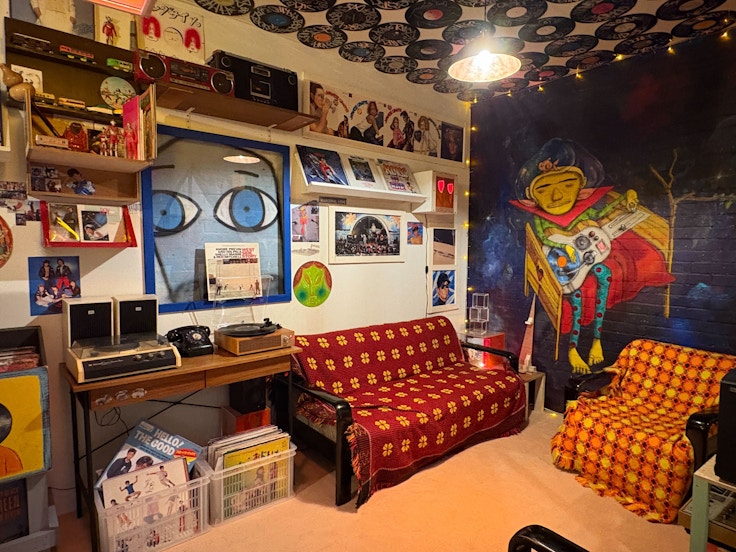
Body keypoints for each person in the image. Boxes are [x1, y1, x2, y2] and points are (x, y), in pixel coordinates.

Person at [512, 138, 672, 373]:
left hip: (586, 261)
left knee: (605, 276)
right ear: (531, 197)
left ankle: (597, 340)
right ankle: (573, 349)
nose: (556, 196)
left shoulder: (584, 212)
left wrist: (627, 197)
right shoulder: (540, 219)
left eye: (567, 184)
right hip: (562, 267)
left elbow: (606, 211)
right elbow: (544, 238)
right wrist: (563, 244)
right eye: (543, 189)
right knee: (577, 296)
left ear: (582, 189)